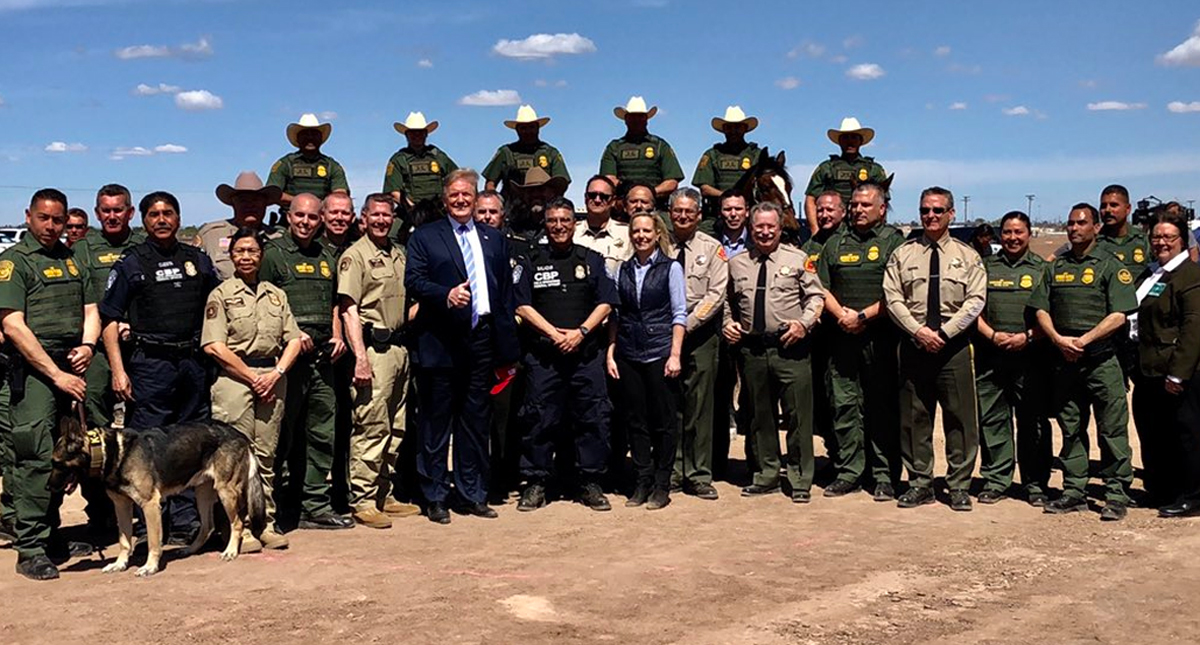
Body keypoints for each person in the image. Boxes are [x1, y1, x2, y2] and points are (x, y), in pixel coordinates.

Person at [100, 191, 221, 543]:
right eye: (154, 214)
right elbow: (110, 319)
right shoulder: (131, 263)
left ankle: (186, 523)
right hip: (150, 364)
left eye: (168, 213)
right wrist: (119, 371)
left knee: (188, 443)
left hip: (192, 363)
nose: (161, 219)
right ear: (143, 220)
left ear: (179, 218)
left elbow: (217, 305)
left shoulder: (197, 260)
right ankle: (153, 523)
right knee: (148, 446)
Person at [405, 169, 520, 524]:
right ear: (445, 199)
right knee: (437, 424)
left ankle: (472, 493)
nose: (460, 200)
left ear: (475, 198)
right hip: (440, 340)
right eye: (454, 194)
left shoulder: (493, 238)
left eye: (466, 195)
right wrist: (445, 295)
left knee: (475, 422)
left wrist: (507, 347)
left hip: (481, 338)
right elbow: (414, 280)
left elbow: (503, 294)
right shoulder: (426, 237)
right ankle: (436, 495)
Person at [0, 188, 100, 580]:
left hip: (70, 366)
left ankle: (53, 534)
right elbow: (12, 324)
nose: (51, 226)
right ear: (28, 217)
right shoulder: (13, 263)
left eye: (58, 220)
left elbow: (91, 309)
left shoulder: (75, 260)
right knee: (33, 457)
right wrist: (56, 375)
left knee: (65, 455)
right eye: (44, 218)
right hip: (34, 372)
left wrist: (88, 346)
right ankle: (31, 548)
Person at [1029, 202, 1136, 521]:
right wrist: (1059, 340)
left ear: (1096, 228)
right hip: (1065, 360)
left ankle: (1116, 493)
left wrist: (1084, 341)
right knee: (1071, 428)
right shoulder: (1055, 267)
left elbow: (1120, 314)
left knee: (1112, 429)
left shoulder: (1111, 266)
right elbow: (1040, 309)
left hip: (1102, 360)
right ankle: (1074, 490)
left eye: (1081, 223)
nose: (1074, 229)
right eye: (1070, 224)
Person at [882, 187, 985, 512]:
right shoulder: (903, 253)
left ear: (951, 214)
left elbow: (975, 300)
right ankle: (920, 483)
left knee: (960, 419)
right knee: (915, 419)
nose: (931, 216)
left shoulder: (968, 256)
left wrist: (943, 333)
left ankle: (958, 486)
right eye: (925, 210)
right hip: (914, 345)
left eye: (938, 210)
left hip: (953, 348)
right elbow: (892, 298)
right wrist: (919, 332)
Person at [202, 228, 303, 552]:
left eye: (252, 251)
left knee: (267, 456)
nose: (246, 257)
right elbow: (214, 346)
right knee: (233, 460)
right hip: (235, 380)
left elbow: (294, 339)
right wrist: (251, 377)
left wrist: (276, 373)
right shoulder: (220, 295)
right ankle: (237, 528)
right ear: (232, 256)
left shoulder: (276, 294)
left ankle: (266, 522)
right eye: (240, 251)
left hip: (272, 378)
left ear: (261, 256)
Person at [513, 198, 617, 511]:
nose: (559, 226)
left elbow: (607, 302)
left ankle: (590, 481)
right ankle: (536, 482)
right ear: (545, 225)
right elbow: (521, 304)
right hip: (545, 356)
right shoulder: (530, 259)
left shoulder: (592, 259)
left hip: (585, 355)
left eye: (565, 220)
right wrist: (554, 334)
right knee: (539, 418)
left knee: (592, 418)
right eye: (553, 220)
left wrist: (581, 333)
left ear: (575, 224)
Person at [260, 193, 353, 531]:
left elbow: (334, 305)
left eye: (313, 218)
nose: (305, 222)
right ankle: (278, 506)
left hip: (322, 361)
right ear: (288, 216)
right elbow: (263, 306)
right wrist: (292, 337)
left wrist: (338, 334)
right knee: (283, 434)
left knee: (321, 432)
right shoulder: (273, 256)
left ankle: (315, 504)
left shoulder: (327, 256)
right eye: (299, 215)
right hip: (287, 361)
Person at [723, 202, 825, 503]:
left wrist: (804, 325)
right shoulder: (738, 262)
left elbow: (816, 296)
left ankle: (799, 478)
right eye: (759, 227)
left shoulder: (798, 259)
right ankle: (765, 474)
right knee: (758, 416)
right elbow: (726, 300)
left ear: (780, 229)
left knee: (798, 416)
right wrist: (728, 322)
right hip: (753, 349)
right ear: (750, 229)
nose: (765, 232)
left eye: (771, 227)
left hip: (790, 349)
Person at [817, 184, 905, 500]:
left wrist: (863, 317)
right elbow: (821, 286)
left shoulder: (894, 242)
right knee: (844, 405)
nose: (858, 210)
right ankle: (848, 471)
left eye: (866, 205)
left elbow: (897, 291)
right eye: (854, 204)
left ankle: (884, 475)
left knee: (881, 406)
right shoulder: (835, 243)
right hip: (841, 338)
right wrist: (842, 314)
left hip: (880, 338)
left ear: (882, 209)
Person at [337, 194, 419, 529]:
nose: (382, 221)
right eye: (376, 215)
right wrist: (359, 358)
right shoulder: (355, 256)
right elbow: (349, 309)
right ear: (364, 218)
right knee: (371, 426)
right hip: (372, 351)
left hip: (400, 350)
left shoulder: (398, 253)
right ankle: (363, 499)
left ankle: (385, 493)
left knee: (395, 426)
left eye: (387, 215)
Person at [607, 212, 686, 510]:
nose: (640, 235)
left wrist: (675, 354)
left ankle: (662, 484)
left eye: (646, 231)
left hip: (659, 351)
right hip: (629, 352)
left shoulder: (671, 268)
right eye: (636, 231)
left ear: (657, 234)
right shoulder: (621, 269)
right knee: (635, 420)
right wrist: (611, 352)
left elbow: (679, 313)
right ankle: (642, 481)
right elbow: (615, 315)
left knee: (664, 422)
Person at [973, 211, 1053, 506]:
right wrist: (992, 335)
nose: (1012, 238)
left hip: (1031, 357)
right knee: (992, 420)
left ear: (1029, 234)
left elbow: (1051, 315)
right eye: (1007, 232)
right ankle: (996, 480)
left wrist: (1027, 337)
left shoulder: (1043, 270)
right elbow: (973, 310)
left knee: (1033, 423)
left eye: (1018, 232)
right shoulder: (985, 267)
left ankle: (1035, 484)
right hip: (991, 355)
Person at [1129, 214, 1200, 516]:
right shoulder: (1151, 273)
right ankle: (1161, 489)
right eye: (1156, 237)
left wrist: (1178, 373)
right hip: (1147, 369)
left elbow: (1193, 328)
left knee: (1185, 433)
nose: (1161, 242)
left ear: (1183, 240)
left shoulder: (1190, 275)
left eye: (1168, 237)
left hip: (1175, 371)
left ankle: (1193, 494)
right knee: (1154, 431)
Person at [666, 188, 728, 499]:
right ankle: (674, 470)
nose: (683, 216)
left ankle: (699, 474)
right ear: (669, 212)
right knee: (671, 405)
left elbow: (716, 295)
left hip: (700, 333)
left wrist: (685, 324)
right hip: (663, 333)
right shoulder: (659, 243)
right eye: (677, 211)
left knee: (700, 406)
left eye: (689, 211)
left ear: (699, 215)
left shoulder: (712, 248)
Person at [711, 191, 751, 479]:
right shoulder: (710, 240)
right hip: (718, 324)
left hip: (753, 325)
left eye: (738, 208)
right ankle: (717, 462)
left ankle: (758, 465)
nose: (733, 214)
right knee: (719, 390)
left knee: (756, 395)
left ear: (747, 211)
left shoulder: (762, 235)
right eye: (728, 209)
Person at [803, 117, 887, 234]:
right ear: (840, 141)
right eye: (845, 137)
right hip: (832, 231)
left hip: (866, 231)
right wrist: (815, 230)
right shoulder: (826, 168)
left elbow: (883, 202)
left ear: (860, 141)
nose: (850, 141)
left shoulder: (874, 169)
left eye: (854, 137)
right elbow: (810, 199)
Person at [600, 96, 684, 210]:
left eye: (640, 116)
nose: (637, 120)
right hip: (622, 209)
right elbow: (608, 179)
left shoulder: (660, 146)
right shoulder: (614, 147)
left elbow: (672, 182)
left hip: (656, 208)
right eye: (633, 117)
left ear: (646, 119)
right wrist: (630, 193)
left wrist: (648, 193)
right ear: (626, 119)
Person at [197, 172, 282, 279]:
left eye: (256, 200)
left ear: (265, 203)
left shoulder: (278, 238)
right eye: (243, 200)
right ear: (233, 203)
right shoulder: (211, 235)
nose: (250, 205)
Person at [693, 106, 762, 232]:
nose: (733, 131)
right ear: (724, 130)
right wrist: (729, 198)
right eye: (729, 127)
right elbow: (705, 188)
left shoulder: (756, 155)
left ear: (745, 128)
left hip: (750, 215)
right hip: (716, 216)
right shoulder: (712, 154)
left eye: (737, 127)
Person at [266, 113, 349, 217]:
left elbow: (341, 195)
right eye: (305, 134)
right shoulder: (285, 164)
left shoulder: (332, 166)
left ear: (320, 138)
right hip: (289, 221)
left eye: (314, 134)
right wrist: (304, 203)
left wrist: (320, 206)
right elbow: (272, 194)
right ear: (298, 138)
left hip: (322, 221)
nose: (310, 137)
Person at [483, 105, 570, 203]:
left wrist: (553, 206)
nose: (528, 131)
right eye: (523, 128)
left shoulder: (550, 153)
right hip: (512, 210)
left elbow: (561, 183)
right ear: (517, 130)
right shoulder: (506, 152)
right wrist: (495, 205)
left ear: (538, 128)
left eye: (531, 127)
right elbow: (490, 184)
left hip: (543, 207)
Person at [384, 111, 458, 223]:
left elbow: (458, 178)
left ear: (426, 134)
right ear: (406, 135)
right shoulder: (398, 159)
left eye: (420, 132)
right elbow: (394, 193)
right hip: (410, 212)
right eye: (413, 132)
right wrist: (414, 209)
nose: (416, 135)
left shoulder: (439, 156)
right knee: (393, 236)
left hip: (439, 211)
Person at [574, 175, 632, 278]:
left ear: (613, 201)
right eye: (592, 195)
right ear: (585, 198)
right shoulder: (572, 232)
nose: (597, 200)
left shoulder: (627, 234)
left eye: (604, 197)